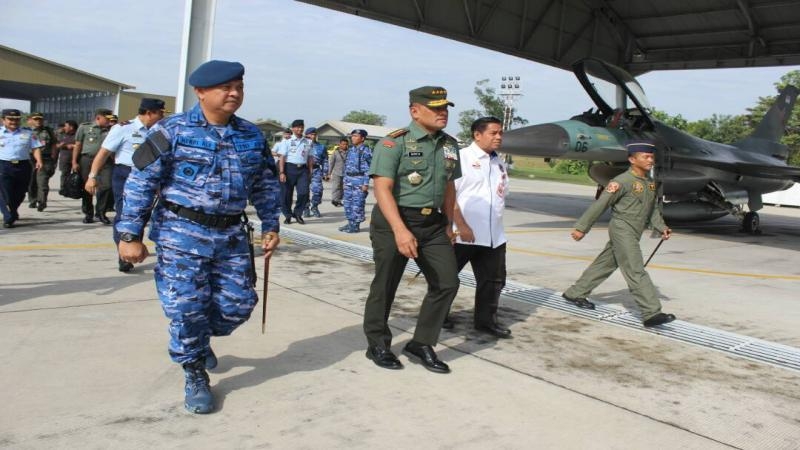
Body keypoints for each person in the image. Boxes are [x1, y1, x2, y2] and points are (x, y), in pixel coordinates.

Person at [116, 60, 281, 414]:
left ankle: (200, 338)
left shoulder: (251, 135)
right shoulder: (169, 130)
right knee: (187, 309)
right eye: (225, 87)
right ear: (201, 92)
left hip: (232, 235)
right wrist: (130, 234)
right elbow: (141, 183)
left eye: (238, 86)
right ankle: (193, 372)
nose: (234, 93)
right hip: (180, 234)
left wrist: (271, 224)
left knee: (238, 307)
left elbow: (265, 183)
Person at [363, 86, 461, 374]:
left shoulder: (449, 145)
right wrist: (400, 231)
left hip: (432, 224)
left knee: (447, 283)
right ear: (415, 111)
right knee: (386, 284)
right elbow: (382, 189)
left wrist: (450, 223)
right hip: (395, 219)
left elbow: (449, 186)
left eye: (445, 108)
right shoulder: (394, 144)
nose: (443, 113)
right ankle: (377, 343)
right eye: (436, 108)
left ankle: (421, 343)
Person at [562, 140, 676, 328]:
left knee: (605, 264)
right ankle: (651, 312)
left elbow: (652, 208)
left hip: (635, 229)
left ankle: (575, 293)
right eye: (645, 157)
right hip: (622, 228)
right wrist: (582, 228)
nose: (650, 160)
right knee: (635, 268)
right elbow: (601, 204)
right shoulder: (621, 182)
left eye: (652, 157)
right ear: (632, 159)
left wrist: (661, 226)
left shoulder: (649, 182)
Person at [447, 116, 512, 338]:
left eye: (500, 133)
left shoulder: (498, 162)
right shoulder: (461, 158)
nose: (499, 137)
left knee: (493, 281)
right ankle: (440, 315)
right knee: (446, 279)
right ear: (477, 134)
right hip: (462, 234)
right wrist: (461, 225)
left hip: (493, 235)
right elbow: (448, 196)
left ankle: (485, 322)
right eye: (493, 133)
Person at [84, 98, 165, 272]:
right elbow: (103, 153)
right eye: (160, 113)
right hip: (125, 175)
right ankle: (123, 254)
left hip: (151, 176)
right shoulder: (123, 128)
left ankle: (133, 244)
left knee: (142, 216)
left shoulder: (160, 131)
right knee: (125, 215)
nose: (162, 116)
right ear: (149, 113)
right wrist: (92, 176)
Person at [0, 109, 43, 228]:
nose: (14, 121)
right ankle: (8, 217)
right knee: (5, 194)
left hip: (23, 166)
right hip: (3, 165)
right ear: (3, 120)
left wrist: (39, 160)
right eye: (10, 119)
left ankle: (12, 210)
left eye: (17, 119)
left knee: (20, 193)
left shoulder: (28, 133)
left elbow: (36, 148)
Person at [72, 108, 113, 224]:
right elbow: (78, 145)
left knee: (107, 186)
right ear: (98, 117)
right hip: (87, 160)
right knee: (88, 188)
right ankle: (88, 213)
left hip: (106, 161)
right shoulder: (84, 127)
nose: (109, 121)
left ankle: (101, 212)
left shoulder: (112, 130)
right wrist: (74, 162)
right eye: (107, 119)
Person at [275, 119, 312, 224]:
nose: (300, 129)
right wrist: (282, 172)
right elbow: (282, 157)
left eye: (301, 127)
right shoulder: (287, 141)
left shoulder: (308, 141)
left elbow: (310, 157)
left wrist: (310, 172)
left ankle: (298, 213)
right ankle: (287, 215)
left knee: (304, 193)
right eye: (297, 127)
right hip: (289, 168)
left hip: (303, 170)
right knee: (286, 194)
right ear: (293, 128)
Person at [339, 129, 371, 233]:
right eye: (352, 136)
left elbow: (370, 168)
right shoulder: (351, 149)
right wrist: (344, 181)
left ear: (362, 138)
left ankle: (355, 225)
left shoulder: (366, 151)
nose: (353, 138)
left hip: (359, 181)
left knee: (357, 204)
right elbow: (346, 167)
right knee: (347, 203)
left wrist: (366, 183)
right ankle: (350, 222)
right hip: (349, 180)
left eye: (356, 136)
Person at [26, 112, 57, 211]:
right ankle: (33, 200)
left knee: (42, 181)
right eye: (35, 119)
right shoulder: (26, 131)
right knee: (31, 181)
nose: (38, 121)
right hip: (30, 158)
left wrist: (54, 158)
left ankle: (42, 201)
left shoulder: (48, 131)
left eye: (40, 119)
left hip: (45, 158)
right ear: (30, 120)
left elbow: (54, 145)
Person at [303, 127, 329, 218]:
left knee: (318, 190)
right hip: (304, 170)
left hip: (316, 170)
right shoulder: (302, 145)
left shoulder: (321, 147)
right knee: (304, 191)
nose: (312, 136)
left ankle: (314, 206)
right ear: (306, 135)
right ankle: (305, 208)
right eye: (310, 134)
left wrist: (325, 172)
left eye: (314, 134)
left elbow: (325, 160)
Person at [56, 120, 78, 195]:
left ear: (71, 127)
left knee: (77, 174)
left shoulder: (78, 135)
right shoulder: (62, 135)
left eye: (66, 126)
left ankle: (75, 189)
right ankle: (63, 189)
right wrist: (62, 145)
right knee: (65, 174)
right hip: (65, 158)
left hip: (77, 158)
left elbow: (81, 145)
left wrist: (73, 146)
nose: (64, 127)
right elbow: (56, 145)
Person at [328, 138, 348, 206]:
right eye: (343, 144)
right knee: (336, 187)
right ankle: (335, 200)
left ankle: (340, 200)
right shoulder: (335, 153)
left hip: (346, 173)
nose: (344, 145)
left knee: (343, 187)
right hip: (336, 172)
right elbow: (331, 163)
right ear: (339, 144)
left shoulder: (349, 153)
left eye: (346, 144)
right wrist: (329, 173)